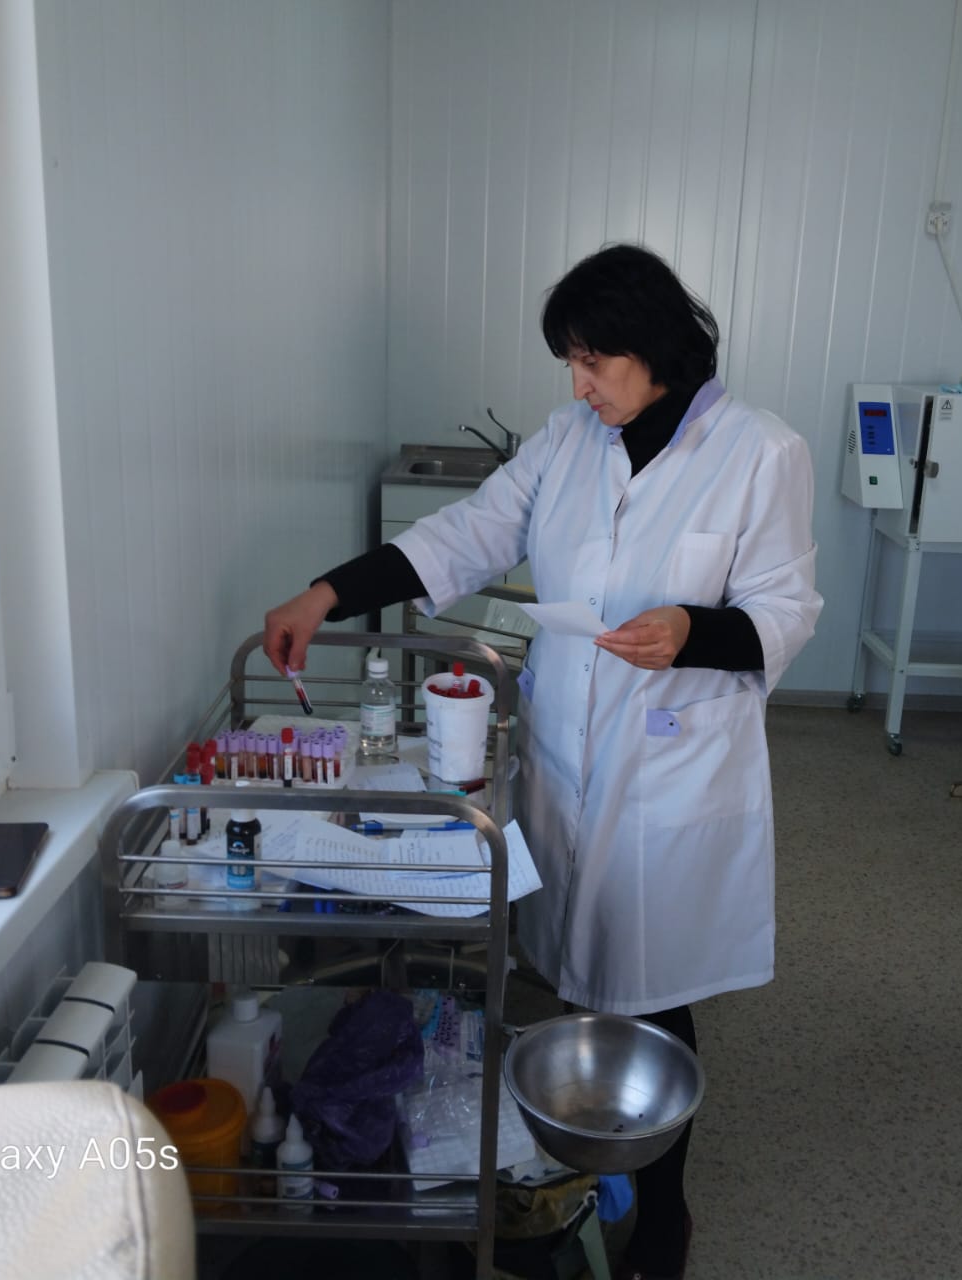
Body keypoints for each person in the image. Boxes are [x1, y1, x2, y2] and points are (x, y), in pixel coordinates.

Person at [262, 243, 822, 1280]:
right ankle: (580, 1158)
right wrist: (324, 594)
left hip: (672, 762)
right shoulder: (569, 441)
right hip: (570, 749)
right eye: (570, 361)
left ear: (654, 349)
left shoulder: (761, 451)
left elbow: (786, 609)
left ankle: (664, 1208)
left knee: (649, 990)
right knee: (576, 973)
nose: (577, 384)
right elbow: (466, 534)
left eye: (593, 361)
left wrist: (690, 630)